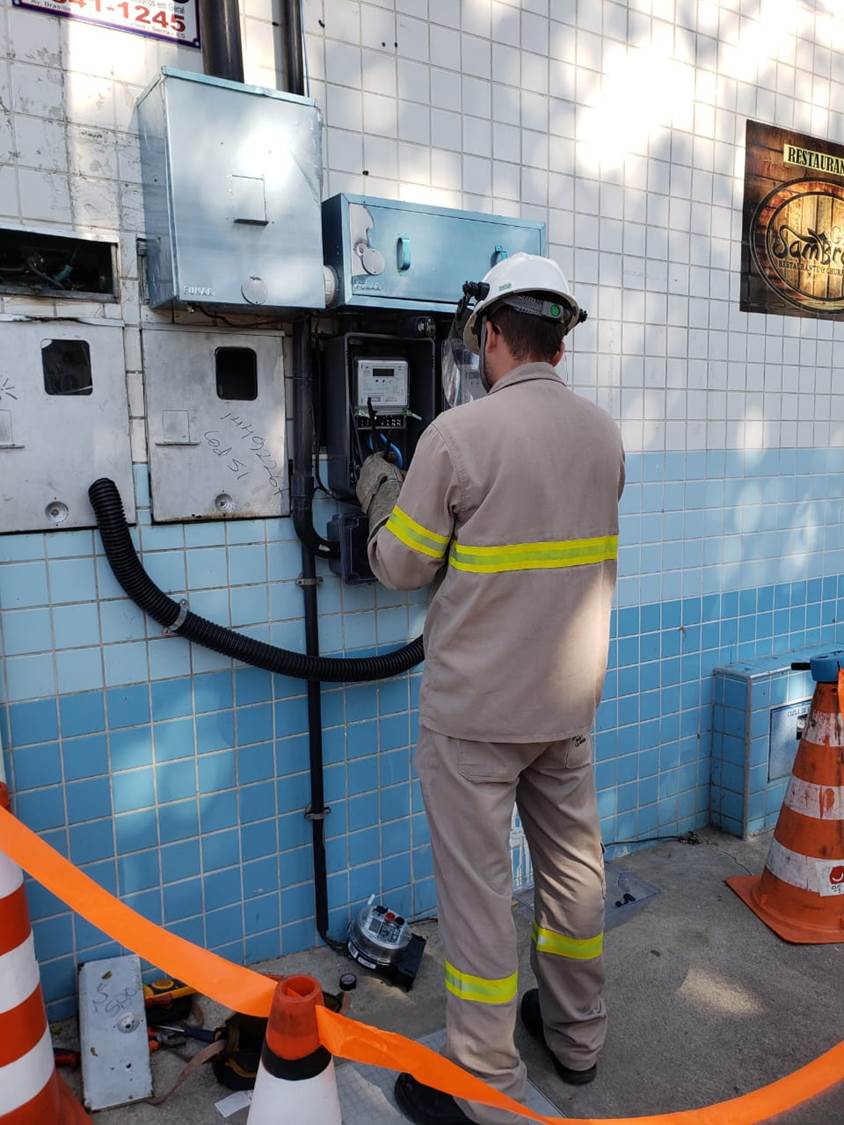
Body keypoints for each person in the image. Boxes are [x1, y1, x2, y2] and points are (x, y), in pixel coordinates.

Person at [355, 253, 625, 1125]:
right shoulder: (602, 433)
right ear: (560, 339)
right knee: (574, 874)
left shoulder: (458, 435)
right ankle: (578, 1036)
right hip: (567, 708)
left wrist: (379, 495)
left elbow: (400, 564)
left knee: (477, 901)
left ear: (494, 336)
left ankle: (484, 1081)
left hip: (476, 719)